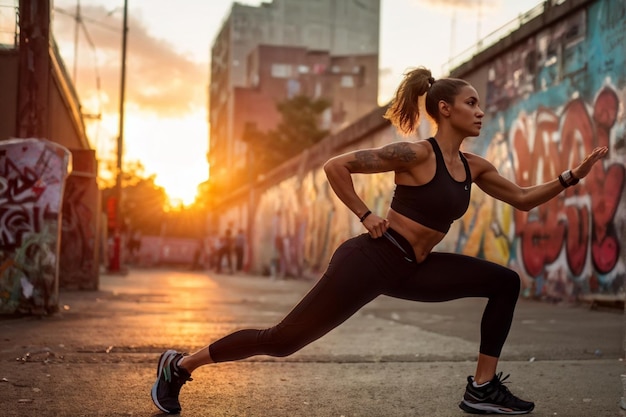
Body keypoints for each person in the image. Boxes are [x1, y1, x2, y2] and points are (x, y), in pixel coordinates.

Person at [151, 67, 607, 415]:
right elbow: (335, 166)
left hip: (415, 268)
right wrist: (366, 214)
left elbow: (524, 200)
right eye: (472, 102)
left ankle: (481, 388)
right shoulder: (412, 154)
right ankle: (180, 365)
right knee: (284, 340)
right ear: (445, 109)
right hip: (371, 260)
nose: (481, 111)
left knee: (505, 282)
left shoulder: (475, 167)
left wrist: (570, 177)